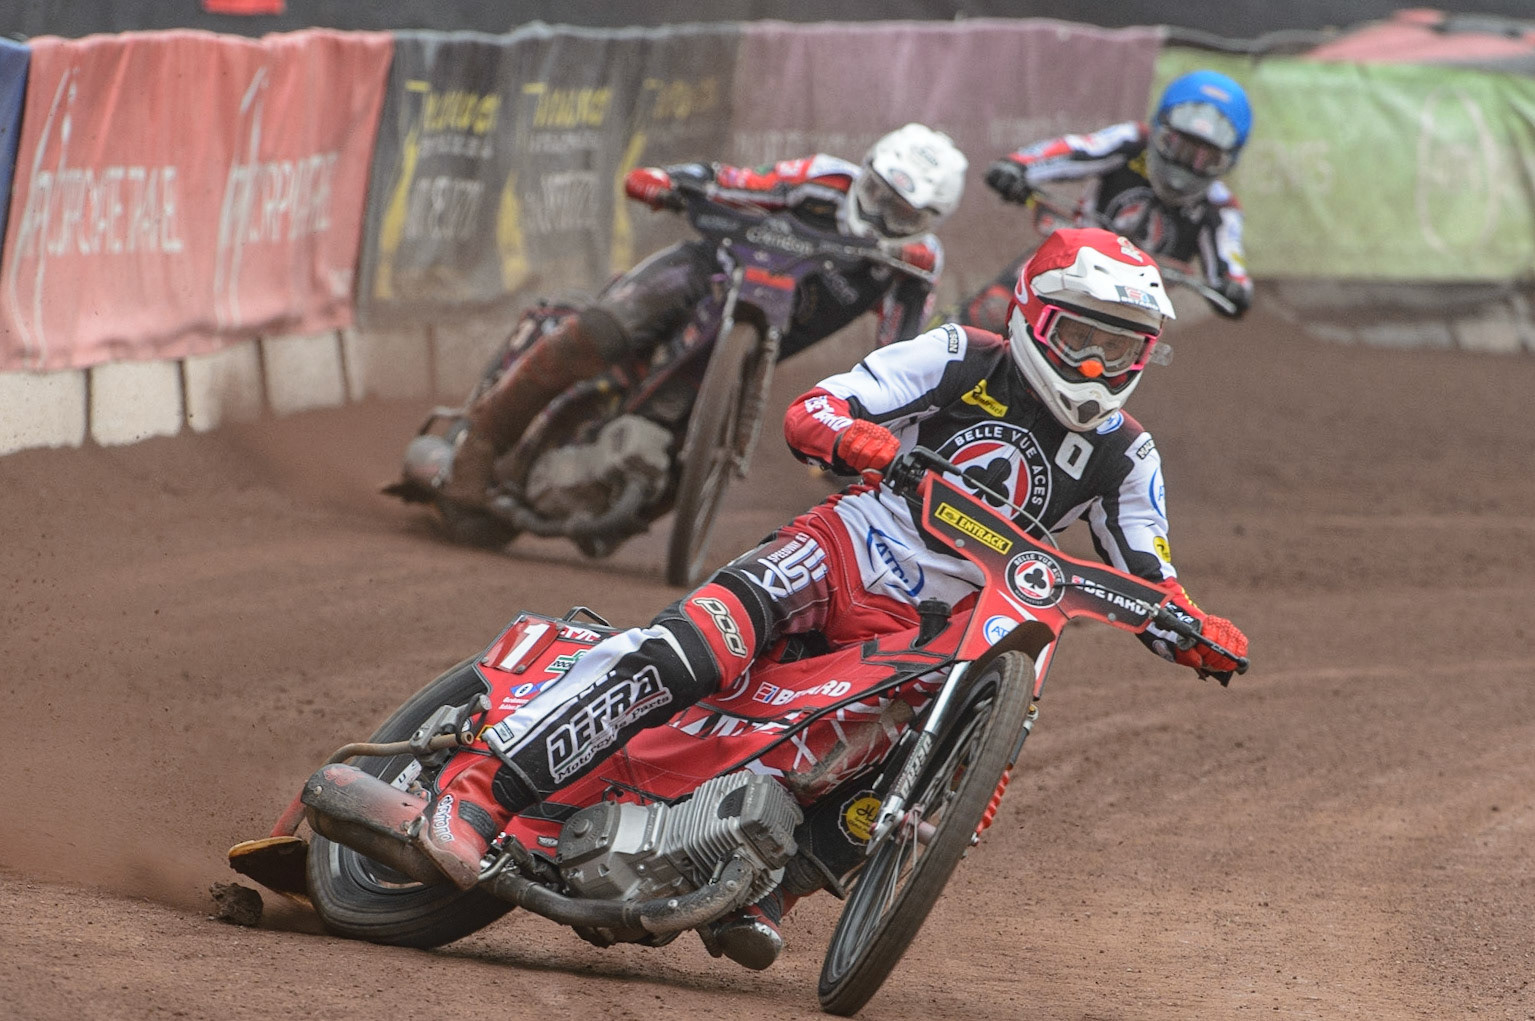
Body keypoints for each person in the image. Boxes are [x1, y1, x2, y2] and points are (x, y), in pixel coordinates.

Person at [412, 228, 1249, 969]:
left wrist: (1189, 625)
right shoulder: (961, 354)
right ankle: (484, 789)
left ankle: (762, 889)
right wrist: (868, 443)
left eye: (1121, 348)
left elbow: (1149, 574)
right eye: (1082, 340)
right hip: (843, 547)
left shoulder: (1126, 455)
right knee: (695, 649)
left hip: (934, 630)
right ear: (1033, 316)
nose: (1098, 367)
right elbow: (818, 407)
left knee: (929, 758)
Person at [440, 123, 969, 510]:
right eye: (877, 194)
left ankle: (623, 492)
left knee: (670, 438)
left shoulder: (917, 263)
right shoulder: (820, 179)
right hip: (703, 272)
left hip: (750, 347)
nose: (879, 216)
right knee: (598, 333)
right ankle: (481, 442)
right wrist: (668, 182)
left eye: (902, 213)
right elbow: (733, 182)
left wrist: (881, 422)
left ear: (930, 221)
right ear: (866, 170)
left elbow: (895, 352)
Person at [953, 69, 1254, 332]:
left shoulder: (1221, 209)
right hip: (1068, 262)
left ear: (1228, 161)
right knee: (991, 312)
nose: (1185, 167)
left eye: (1207, 158)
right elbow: (1076, 149)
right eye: (1178, 146)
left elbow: (1231, 267)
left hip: (1133, 306)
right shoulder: (1131, 143)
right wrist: (1019, 167)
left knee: (1101, 369)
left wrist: (1235, 290)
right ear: (1158, 130)